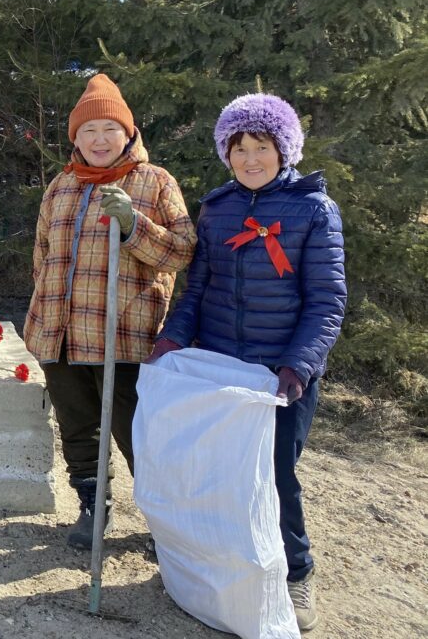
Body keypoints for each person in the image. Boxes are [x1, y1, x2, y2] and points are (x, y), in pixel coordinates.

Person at [152, 92, 345, 632]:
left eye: (261, 146)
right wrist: (174, 337)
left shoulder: (314, 209)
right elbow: (200, 286)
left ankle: (296, 573)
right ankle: (223, 565)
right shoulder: (218, 208)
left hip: (279, 373)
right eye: (239, 149)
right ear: (226, 154)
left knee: (276, 474)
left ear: (284, 150)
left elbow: (327, 300)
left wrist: (298, 366)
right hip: (220, 367)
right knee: (221, 470)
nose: (250, 159)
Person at [24, 73, 196, 549]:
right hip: (59, 335)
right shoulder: (61, 185)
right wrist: (44, 306)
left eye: (108, 129)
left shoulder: (155, 182)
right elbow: (42, 254)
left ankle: (170, 527)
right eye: (87, 131)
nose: (99, 140)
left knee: (136, 433)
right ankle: (91, 506)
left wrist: (134, 226)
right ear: (75, 138)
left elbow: (182, 252)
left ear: (128, 133)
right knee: (78, 427)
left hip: (122, 336)